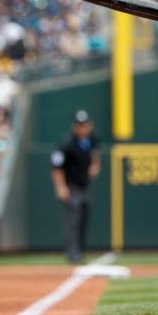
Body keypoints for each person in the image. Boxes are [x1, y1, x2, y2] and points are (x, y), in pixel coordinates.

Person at [50, 110, 100, 264]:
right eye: (80, 125)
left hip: (84, 186)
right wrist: (60, 188)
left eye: (85, 125)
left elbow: (95, 154)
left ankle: (80, 251)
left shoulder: (91, 139)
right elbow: (56, 167)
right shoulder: (66, 143)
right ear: (74, 126)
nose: (83, 128)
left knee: (84, 217)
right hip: (71, 186)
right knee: (73, 219)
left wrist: (95, 165)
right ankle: (72, 253)